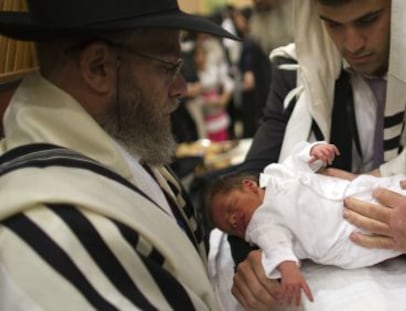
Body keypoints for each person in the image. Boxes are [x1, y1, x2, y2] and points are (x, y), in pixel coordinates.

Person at [0, 0, 239, 309]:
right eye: (169, 67)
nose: (181, 87)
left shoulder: (127, 148)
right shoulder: (53, 230)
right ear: (98, 67)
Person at [224, 0, 406, 309]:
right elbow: (248, 180)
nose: (352, 43)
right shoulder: (296, 71)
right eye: (334, 24)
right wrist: (253, 262)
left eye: (368, 20)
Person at [208, 141, 406, 306]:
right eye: (230, 227)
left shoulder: (277, 174)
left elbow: (298, 158)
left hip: (351, 191)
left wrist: (315, 150)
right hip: (343, 237)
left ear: (250, 186)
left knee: (392, 189)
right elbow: (276, 246)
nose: (233, 220)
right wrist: (289, 271)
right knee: (385, 239)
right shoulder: (262, 223)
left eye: (231, 207)